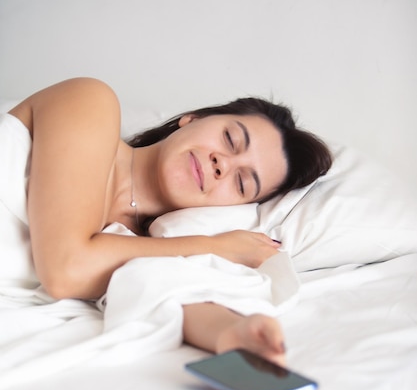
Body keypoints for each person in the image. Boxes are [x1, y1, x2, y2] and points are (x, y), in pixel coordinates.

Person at [7, 77, 332, 363]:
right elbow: (66, 269)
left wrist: (234, 332)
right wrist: (213, 247)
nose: (223, 164)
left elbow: (167, 292)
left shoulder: (142, 246)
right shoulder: (91, 102)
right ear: (191, 119)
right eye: (230, 140)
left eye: (242, 182)